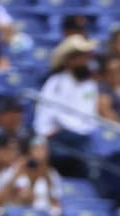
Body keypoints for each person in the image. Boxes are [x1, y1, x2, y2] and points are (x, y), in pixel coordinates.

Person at [35, 36, 99, 178]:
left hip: (82, 134)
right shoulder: (56, 82)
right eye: (81, 57)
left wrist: (84, 129)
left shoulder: (90, 85)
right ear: (69, 60)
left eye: (86, 57)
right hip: (59, 133)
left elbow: (90, 112)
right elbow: (51, 114)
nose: (86, 61)